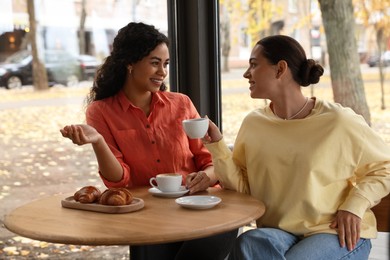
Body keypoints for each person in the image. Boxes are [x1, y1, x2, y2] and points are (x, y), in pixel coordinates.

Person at [60, 22, 237, 260]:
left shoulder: (181, 103)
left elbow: (209, 160)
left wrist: (208, 176)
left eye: (165, 64)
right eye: (154, 63)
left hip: (201, 208)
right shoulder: (100, 111)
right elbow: (118, 181)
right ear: (129, 63)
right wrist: (99, 141)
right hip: (148, 217)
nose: (163, 72)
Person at [203, 35, 390, 259]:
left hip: (333, 231)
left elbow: (385, 166)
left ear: (280, 69)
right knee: (248, 244)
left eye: (253, 64)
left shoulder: (338, 121)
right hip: (279, 233)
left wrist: (355, 205)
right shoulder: (254, 124)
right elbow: (243, 188)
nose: (246, 74)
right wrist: (217, 145)